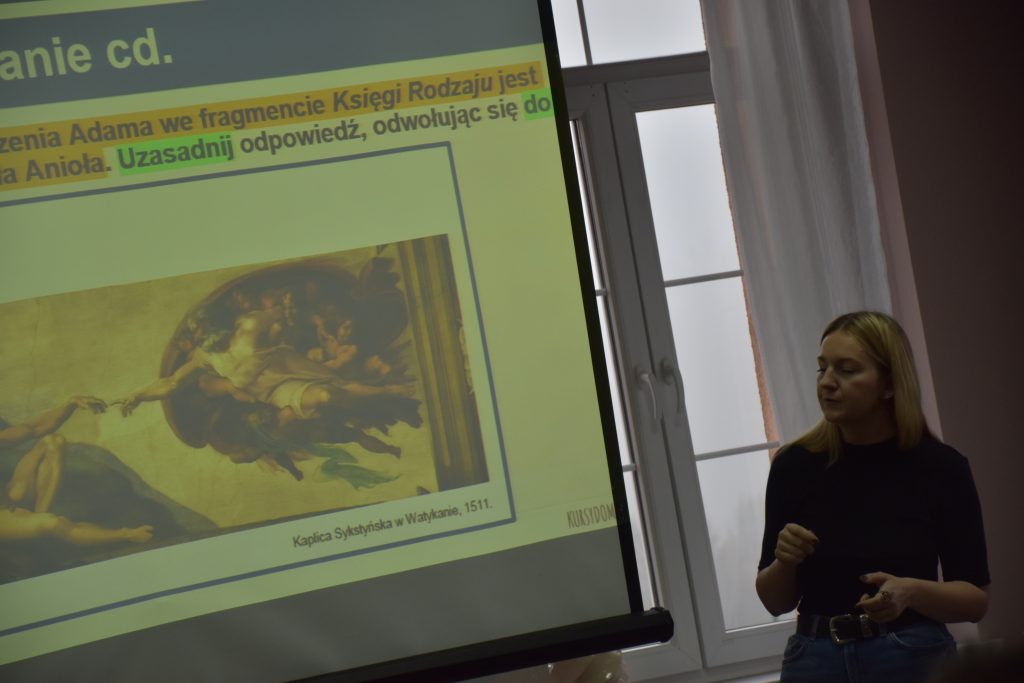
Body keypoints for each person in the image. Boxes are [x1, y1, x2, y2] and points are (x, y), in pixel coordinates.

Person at [756, 311, 989, 683]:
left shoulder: (942, 468)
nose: (827, 383)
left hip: (911, 654)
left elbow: (975, 600)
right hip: (815, 658)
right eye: (822, 369)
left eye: (847, 370)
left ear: (889, 385)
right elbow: (774, 601)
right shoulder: (794, 465)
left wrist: (911, 592)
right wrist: (784, 561)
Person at [0, 396, 154, 545]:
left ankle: (42, 512)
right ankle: (127, 535)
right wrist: (126, 534)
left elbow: (36, 427)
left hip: (10, 499)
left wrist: (71, 404)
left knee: (53, 441)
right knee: (52, 523)